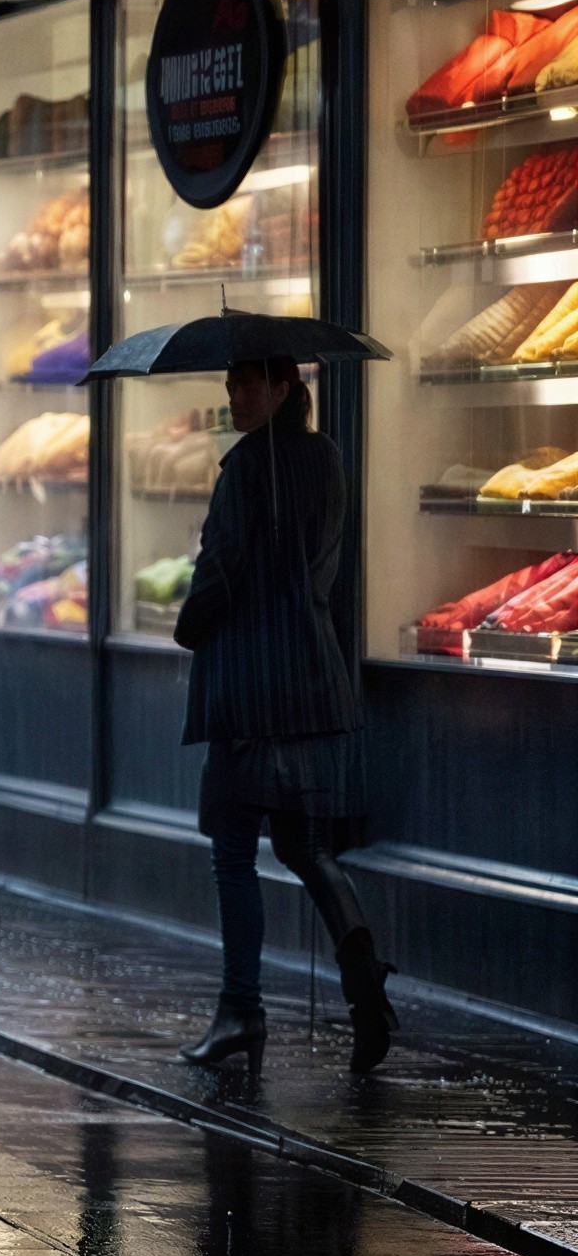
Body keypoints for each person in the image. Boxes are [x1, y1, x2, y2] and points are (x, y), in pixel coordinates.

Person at [175, 356, 397, 1074]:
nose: (233, 395)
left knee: (233, 850)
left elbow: (223, 568)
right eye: (230, 383)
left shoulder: (245, 468)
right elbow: (323, 567)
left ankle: (241, 1009)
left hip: (248, 686)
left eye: (245, 383)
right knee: (304, 845)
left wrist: (189, 621)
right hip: (308, 677)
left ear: (281, 388)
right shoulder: (326, 458)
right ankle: (364, 980)